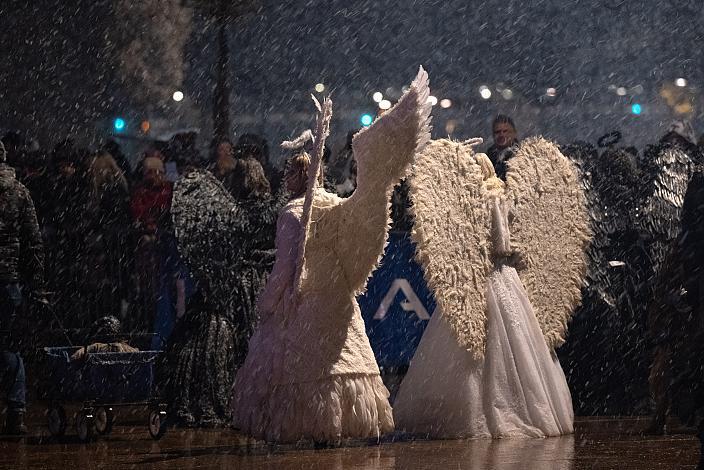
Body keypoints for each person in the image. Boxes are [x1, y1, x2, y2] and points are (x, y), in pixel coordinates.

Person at [230, 67, 431, 443]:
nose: (286, 178)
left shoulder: (293, 213)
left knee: (305, 367)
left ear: (296, 177)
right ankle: (338, 427)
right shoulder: (337, 205)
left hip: (306, 295)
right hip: (337, 290)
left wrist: (269, 301)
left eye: (290, 173)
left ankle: (309, 427)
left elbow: (287, 266)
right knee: (340, 360)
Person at [394, 138, 589, 438]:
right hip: (508, 275)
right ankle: (523, 404)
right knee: (521, 343)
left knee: (473, 341)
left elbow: (493, 239)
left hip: (485, 273)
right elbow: (507, 240)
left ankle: (475, 409)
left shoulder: (486, 199)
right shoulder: (507, 197)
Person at [0, 140, 45, 434]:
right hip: (9, 279)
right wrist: (37, 282)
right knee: (9, 344)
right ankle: (16, 412)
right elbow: (33, 239)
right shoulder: (19, 191)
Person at [486, 115, 519, 180]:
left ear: (514, 133)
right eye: (497, 132)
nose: (501, 135)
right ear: (493, 135)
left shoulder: (522, 155)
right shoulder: (487, 157)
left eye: (505, 131)